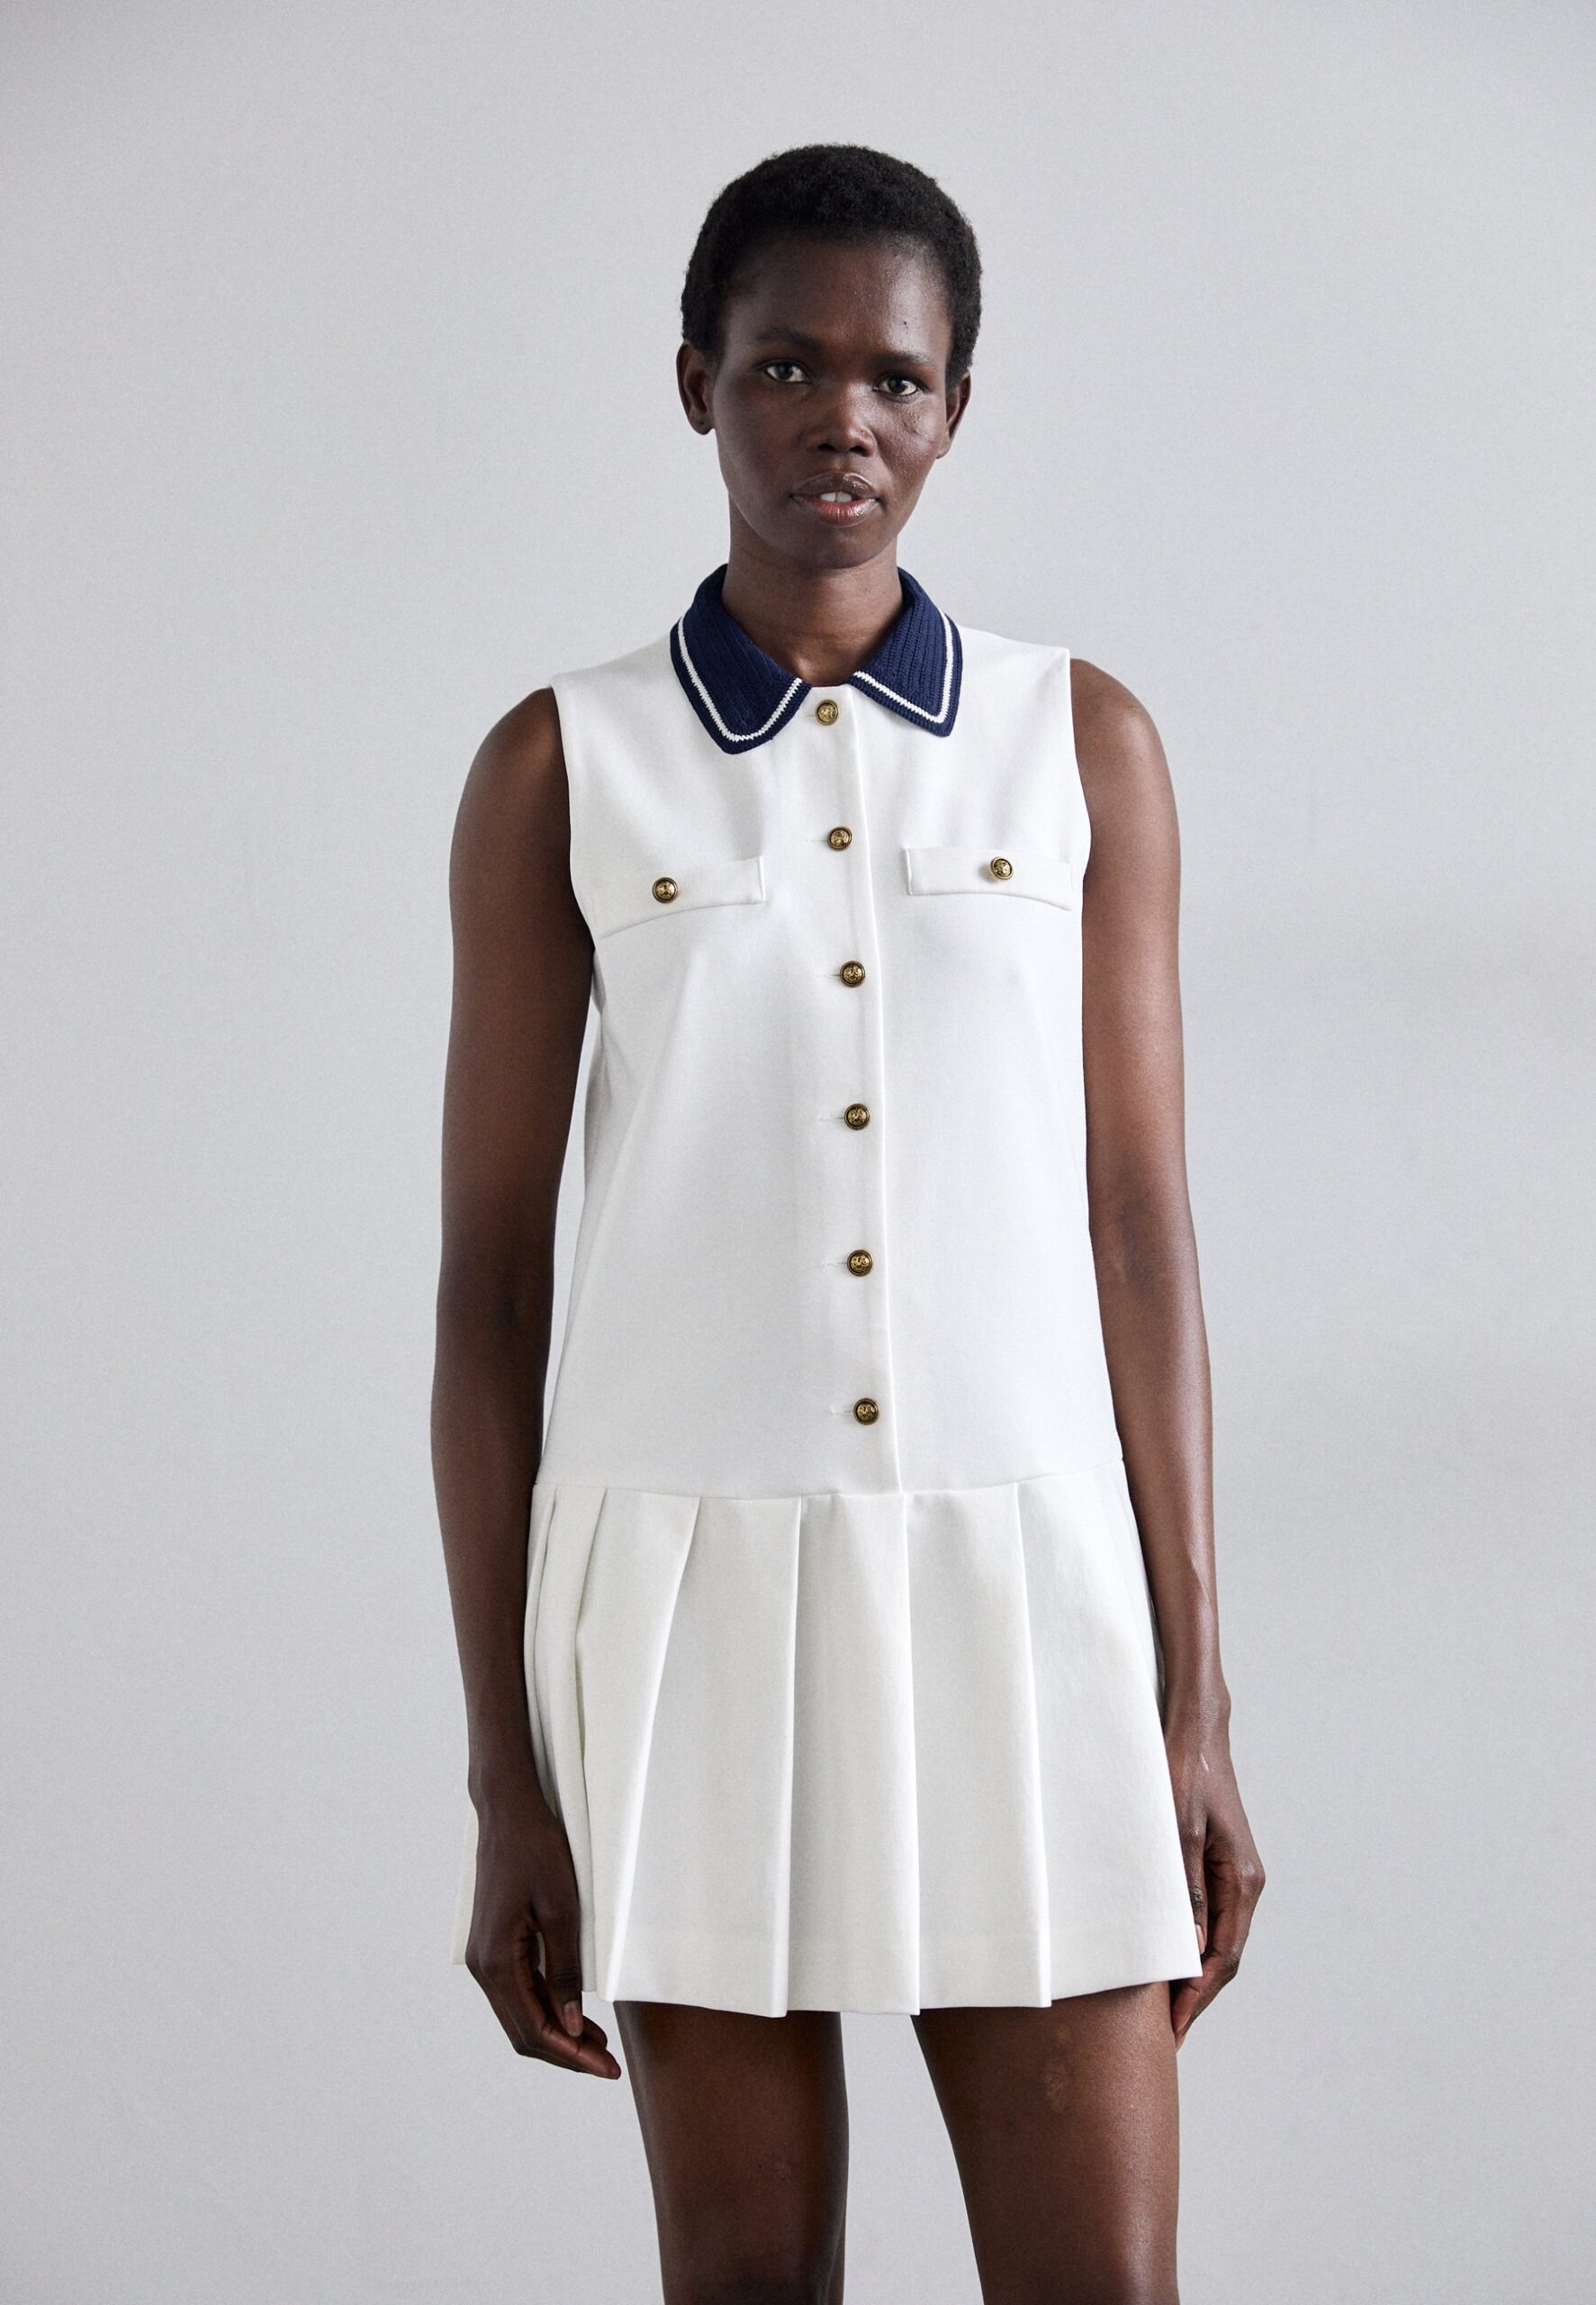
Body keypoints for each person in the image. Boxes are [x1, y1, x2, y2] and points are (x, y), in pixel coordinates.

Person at [433, 141, 1264, 2305]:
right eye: (785, 364)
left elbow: (1139, 1227)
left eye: (894, 375)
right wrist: (506, 1775)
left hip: (1026, 1594)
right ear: (693, 380)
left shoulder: (1078, 742)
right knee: (745, 2280)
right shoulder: (563, 766)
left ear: (954, 405)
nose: (841, 418)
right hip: (682, 1607)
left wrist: (1191, 1698)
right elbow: (489, 1289)